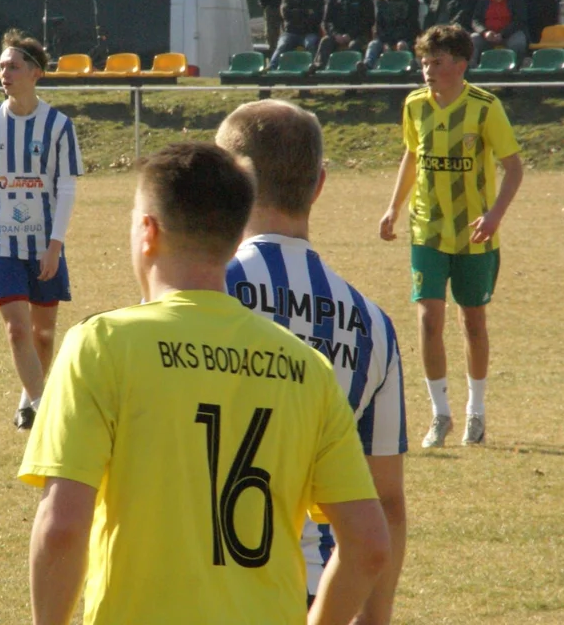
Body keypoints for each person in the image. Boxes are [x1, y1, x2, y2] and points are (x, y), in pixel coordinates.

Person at [20, 141, 389, 625]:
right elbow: (368, 545)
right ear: (235, 239)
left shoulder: (101, 345)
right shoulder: (308, 368)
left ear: (148, 232)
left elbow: (62, 528)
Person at [218, 100, 407, 623]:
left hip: (208, 580)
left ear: (229, 182)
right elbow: (386, 502)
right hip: (320, 588)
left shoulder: (201, 290)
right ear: (319, 183)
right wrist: (375, 616)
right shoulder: (373, 324)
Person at [379, 24, 524, 449]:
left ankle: (475, 413)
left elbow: (514, 167)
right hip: (427, 228)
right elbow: (412, 153)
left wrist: (495, 214)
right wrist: (394, 207)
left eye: (436, 62)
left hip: (475, 234)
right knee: (428, 319)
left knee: (473, 322)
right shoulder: (414, 106)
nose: (426, 69)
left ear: (460, 65)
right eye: (424, 61)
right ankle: (439, 414)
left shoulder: (484, 107)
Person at [0, 29, 83, 431]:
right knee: (17, 330)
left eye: (13, 66)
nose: (4, 74)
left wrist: (55, 246)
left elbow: (66, 187)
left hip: (44, 245)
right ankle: (44, 405)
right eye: (1, 67)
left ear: (35, 73)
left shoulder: (60, 126)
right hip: (1, 244)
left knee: (43, 334)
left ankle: (27, 400)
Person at [314, 0, 375, 70]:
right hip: (337, 35)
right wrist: (335, 34)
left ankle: (352, 71)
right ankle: (318, 67)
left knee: (354, 45)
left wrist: (350, 35)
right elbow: (327, 21)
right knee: (325, 41)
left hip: (358, 36)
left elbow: (368, 21)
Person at [267, 0, 324, 69]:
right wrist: (306, 12)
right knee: (282, 45)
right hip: (291, 32)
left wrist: (297, 13)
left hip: (310, 32)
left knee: (311, 44)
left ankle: (313, 67)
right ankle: (271, 67)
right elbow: (286, 14)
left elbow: (317, 18)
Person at [470, 0, 528, 68]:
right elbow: (475, 21)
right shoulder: (483, 0)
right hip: (488, 36)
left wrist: (503, 34)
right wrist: (485, 32)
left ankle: (515, 69)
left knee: (519, 40)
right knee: (472, 39)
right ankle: (472, 70)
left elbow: (520, 20)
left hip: (509, 35)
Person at [365, 0, 420, 70]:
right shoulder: (382, 2)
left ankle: (408, 68)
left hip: (406, 37)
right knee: (373, 44)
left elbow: (411, 24)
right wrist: (386, 42)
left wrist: (398, 40)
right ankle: (367, 66)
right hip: (386, 38)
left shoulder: (411, 0)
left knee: (402, 45)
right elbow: (379, 26)